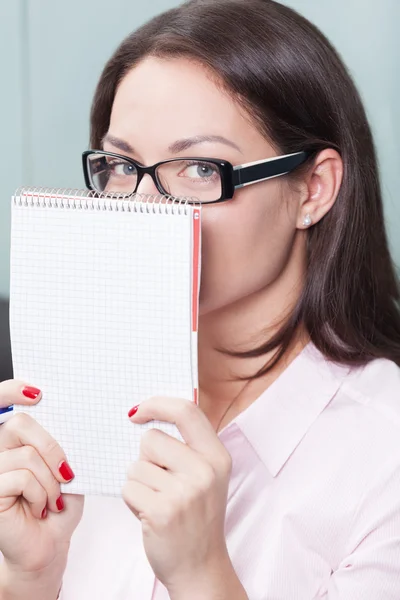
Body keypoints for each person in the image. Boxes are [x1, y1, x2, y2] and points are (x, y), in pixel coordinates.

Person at [1, 0, 400, 598]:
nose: (144, 209)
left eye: (199, 169)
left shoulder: (382, 453)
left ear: (313, 189)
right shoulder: (59, 408)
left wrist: (201, 573)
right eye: (122, 165)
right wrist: (27, 577)